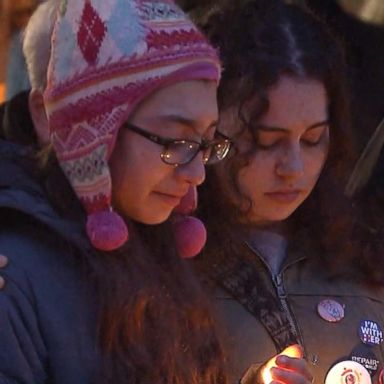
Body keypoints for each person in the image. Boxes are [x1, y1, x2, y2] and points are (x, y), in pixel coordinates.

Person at [0, 0, 233, 383]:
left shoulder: (152, 250)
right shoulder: (17, 275)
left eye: (207, 142)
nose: (197, 173)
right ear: (90, 132)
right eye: (176, 140)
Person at [197, 1, 384, 383]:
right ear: (208, 131)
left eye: (314, 139)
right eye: (266, 141)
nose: (294, 168)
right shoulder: (163, 265)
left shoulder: (360, 256)